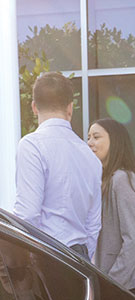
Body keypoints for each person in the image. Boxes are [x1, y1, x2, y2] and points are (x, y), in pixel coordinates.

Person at [14, 72, 102, 260]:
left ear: (34, 107)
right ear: (70, 108)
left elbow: (27, 214)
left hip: (47, 257)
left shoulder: (32, 145)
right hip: (81, 260)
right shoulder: (90, 156)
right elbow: (93, 224)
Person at [87, 118, 135, 298]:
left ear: (114, 141)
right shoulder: (104, 181)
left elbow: (134, 239)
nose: (90, 142)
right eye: (89, 137)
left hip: (126, 288)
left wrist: (112, 283)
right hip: (111, 284)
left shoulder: (122, 180)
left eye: (96, 137)